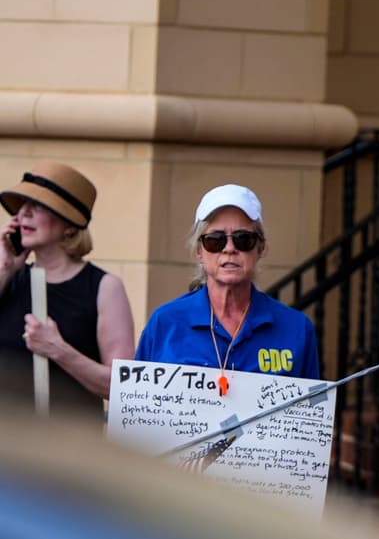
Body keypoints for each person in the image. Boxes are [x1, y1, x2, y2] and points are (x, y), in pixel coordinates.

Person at [135, 184, 319, 383]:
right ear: (199, 252)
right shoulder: (165, 323)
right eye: (215, 240)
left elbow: (311, 408)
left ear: (260, 248)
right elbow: (139, 405)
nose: (229, 249)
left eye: (243, 239)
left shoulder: (297, 328)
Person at [0, 160, 135, 417]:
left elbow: (121, 387)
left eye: (37, 205)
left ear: (70, 224)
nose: (23, 214)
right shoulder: (10, 276)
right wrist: (5, 268)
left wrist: (58, 350)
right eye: (22, 205)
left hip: (69, 447)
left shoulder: (104, 288)